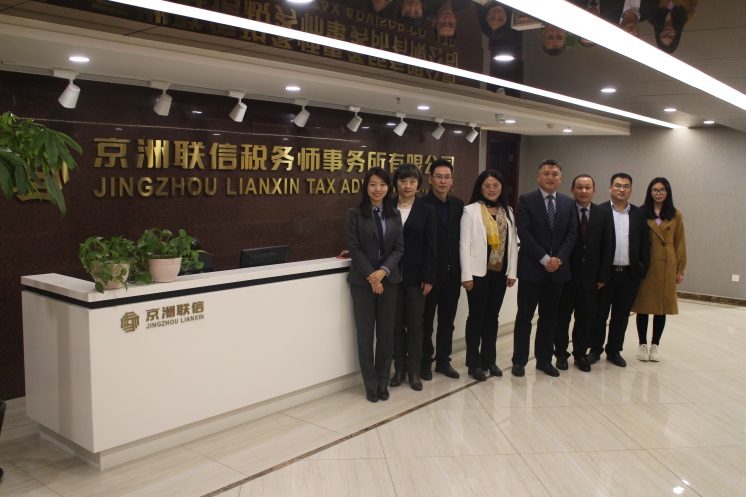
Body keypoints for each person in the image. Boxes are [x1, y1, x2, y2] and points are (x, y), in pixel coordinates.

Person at [511, 159, 577, 377]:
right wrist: (544, 258)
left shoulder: (568, 203)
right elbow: (524, 232)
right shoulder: (526, 200)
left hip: (557, 272)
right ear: (538, 177)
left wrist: (558, 259)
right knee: (524, 317)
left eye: (554, 174)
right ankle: (519, 361)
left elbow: (572, 234)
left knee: (549, 318)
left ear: (561, 178)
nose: (550, 177)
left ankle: (544, 360)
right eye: (546, 173)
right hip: (531, 270)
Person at [347, 167, 405, 403]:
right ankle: (370, 384)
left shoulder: (395, 214)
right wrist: (372, 276)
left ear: (388, 188)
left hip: (389, 281)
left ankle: (383, 381)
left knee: (386, 334)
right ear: (366, 187)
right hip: (363, 283)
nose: (377, 189)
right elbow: (354, 248)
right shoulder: (354, 214)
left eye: (382, 184)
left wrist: (383, 272)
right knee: (364, 335)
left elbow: (399, 248)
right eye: (373, 184)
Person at [460, 170, 518, 381]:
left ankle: (489, 360)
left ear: (501, 188)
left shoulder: (508, 211)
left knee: (492, 318)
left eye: (495, 185)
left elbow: (512, 243)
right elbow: (464, 244)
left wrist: (512, 272)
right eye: (487, 185)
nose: (491, 189)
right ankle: (473, 363)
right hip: (477, 274)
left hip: (500, 273)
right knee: (476, 317)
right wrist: (466, 275)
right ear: (480, 188)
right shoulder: (470, 211)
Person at [553, 174, 613, 373]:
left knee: (585, 319)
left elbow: (608, 246)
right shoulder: (564, 210)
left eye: (588, 187)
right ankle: (561, 354)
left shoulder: (603, 214)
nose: (583, 191)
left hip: (591, 278)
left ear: (594, 190)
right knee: (562, 318)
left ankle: (580, 354)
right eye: (579, 187)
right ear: (572, 190)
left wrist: (603, 276)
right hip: (566, 276)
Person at [590, 173, 650, 367]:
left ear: (630, 190)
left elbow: (645, 245)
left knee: (621, 316)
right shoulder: (599, 211)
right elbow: (593, 245)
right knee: (599, 314)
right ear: (610, 188)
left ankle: (614, 351)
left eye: (626, 186)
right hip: (604, 275)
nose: (621, 189)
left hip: (629, 275)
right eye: (618, 185)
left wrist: (641, 269)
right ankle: (595, 349)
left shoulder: (639, 214)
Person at [390, 164, 437, 391]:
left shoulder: (426, 210)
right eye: (402, 181)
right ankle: (398, 369)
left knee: (416, 326)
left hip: (417, 279)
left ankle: (414, 372)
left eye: (412, 181)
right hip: (391, 276)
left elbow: (431, 246)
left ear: (419, 184)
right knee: (396, 326)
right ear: (396, 183)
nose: (407, 186)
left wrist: (429, 276)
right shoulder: (387, 206)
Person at [632, 177, 687, 362]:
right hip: (647, 265)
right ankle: (642, 344)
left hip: (666, 265)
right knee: (643, 306)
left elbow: (680, 242)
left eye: (662, 190)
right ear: (650, 192)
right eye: (655, 190)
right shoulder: (641, 212)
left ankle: (655, 344)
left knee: (661, 308)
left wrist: (680, 269)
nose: (658, 193)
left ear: (668, 192)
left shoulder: (675, 214)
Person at [421, 159, 464, 380]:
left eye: (447, 177)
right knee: (426, 323)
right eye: (438, 177)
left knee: (447, 322)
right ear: (430, 179)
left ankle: (443, 362)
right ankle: (425, 362)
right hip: (429, 276)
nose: (443, 181)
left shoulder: (459, 205)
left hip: (452, 275)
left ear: (452, 180)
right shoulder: (421, 205)